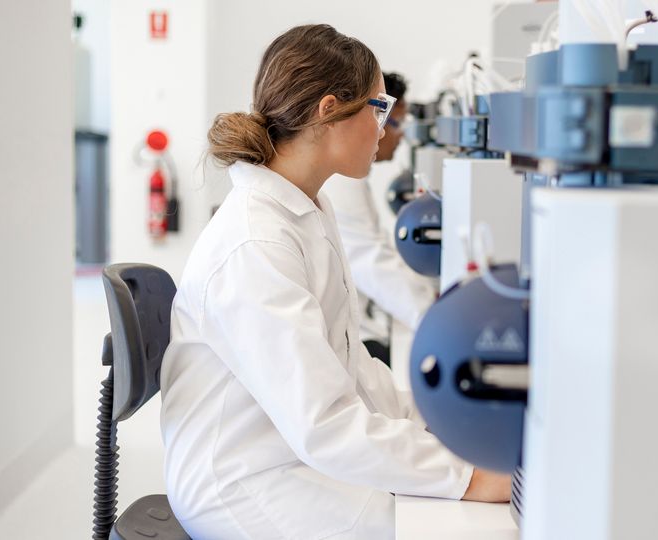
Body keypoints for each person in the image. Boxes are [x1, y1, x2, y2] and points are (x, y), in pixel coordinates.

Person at [159, 24, 510, 540]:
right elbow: (323, 422)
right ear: (329, 111)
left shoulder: (307, 208)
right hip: (244, 483)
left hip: (288, 451)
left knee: (444, 509)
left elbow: (349, 367)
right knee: (448, 525)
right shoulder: (256, 244)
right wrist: (471, 476)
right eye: (379, 109)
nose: (385, 129)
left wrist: (434, 421)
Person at [320, 72, 435, 365]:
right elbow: (368, 259)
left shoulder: (350, 178)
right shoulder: (341, 179)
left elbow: (374, 247)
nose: (389, 133)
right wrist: (431, 314)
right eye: (388, 119)